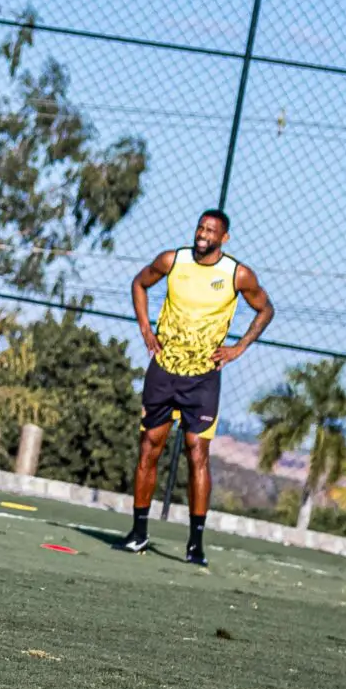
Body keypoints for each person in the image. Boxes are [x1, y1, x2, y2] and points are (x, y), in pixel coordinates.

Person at [115, 209, 274, 565]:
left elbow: (265, 310)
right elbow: (139, 283)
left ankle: (194, 544)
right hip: (164, 370)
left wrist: (239, 347)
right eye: (200, 227)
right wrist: (145, 328)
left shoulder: (237, 274)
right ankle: (139, 534)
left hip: (203, 377)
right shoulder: (173, 260)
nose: (203, 234)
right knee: (149, 448)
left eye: (211, 230)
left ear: (224, 237)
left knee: (196, 454)